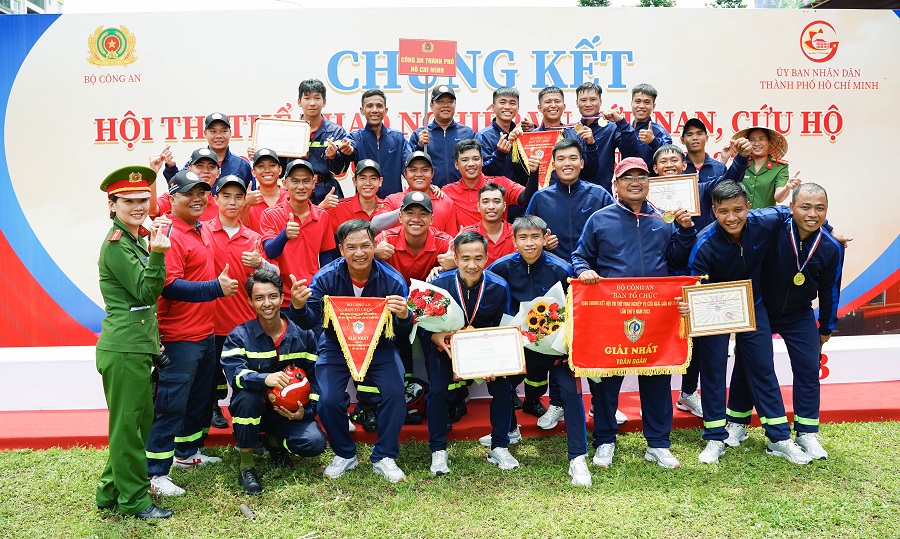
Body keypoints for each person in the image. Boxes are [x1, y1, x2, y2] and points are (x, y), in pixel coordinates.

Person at [573, 157, 696, 469]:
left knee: (657, 378)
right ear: (616, 184)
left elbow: (677, 261)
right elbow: (580, 256)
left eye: (641, 176)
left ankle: (658, 444)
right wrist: (584, 270)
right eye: (627, 177)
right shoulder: (600, 219)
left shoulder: (664, 218)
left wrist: (684, 231)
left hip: (655, 314)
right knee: (606, 380)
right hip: (612, 313)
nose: (635, 182)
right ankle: (605, 441)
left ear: (649, 182)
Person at [688, 180, 812, 465]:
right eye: (723, 212)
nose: (731, 218)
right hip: (714, 311)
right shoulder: (704, 243)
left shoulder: (765, 219)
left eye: (738, 210)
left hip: (753, 306)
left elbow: (797, 213)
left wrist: (829, 231)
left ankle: (779, 438)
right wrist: (691, 305)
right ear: (713, 211)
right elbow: (693, 284)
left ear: (748, 206)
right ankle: (714, 437)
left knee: (763, 368)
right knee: (713, 371)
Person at [721, 183, 844, 461]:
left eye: (820, 208)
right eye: (805, 207)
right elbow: (742, 216)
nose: (812, 214)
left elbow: (830, 290)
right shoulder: (772, 228)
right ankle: (737, 422)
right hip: (761, 307)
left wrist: (826, 327)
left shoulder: (831, 247)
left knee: (809, 368)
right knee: (750, 362)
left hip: (798, 314)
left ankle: (806, 432)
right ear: (791, 208)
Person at [289, 219, 413, 483]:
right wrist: (298, 307)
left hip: (380, 346)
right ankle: (345, 453)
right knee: (327, 399)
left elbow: (402, 331)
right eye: (351, 247)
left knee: (394, 392)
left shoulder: (393, 280)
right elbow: (310, 321)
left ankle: (385, 455)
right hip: (335, 346)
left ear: (374, 245)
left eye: (365, 246)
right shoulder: (325, 278)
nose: (359, 253)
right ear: (341, 249)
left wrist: (405, 316)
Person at [147, 170, 239, 496]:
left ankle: (186, 454)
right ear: (172, 199)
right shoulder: (170, 233)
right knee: (170, 406)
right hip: (178, 338)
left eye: (202, 192)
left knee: (198, 402)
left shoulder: (200, 229)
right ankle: (155, 474)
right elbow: (168, 286)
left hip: (204, 333)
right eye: (189, 193)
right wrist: (215, 288)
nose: (198, 198)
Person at [649, 141, 751, 420]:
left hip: (697, 274)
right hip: (660, 276)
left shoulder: (701, 189)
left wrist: (741, 158)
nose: (669, 165)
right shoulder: (645, 197)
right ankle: (654, 399)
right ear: (655, 168)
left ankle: (688, 392)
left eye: (674, 160)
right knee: (658, 336)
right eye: (663, 161)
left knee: (695, 337)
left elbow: (729, 181)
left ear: (684, 165)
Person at [488, 215, 592, 486]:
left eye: (535, 237)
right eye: (523, 237)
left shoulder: (562, 269)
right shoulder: (500, 268)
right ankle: (503, 440)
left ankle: (578, 457)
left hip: (554, 348)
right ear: (514, 241)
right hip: (517, 346)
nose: (529, 243)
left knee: (571, 392)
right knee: (501, 385)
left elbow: (576, 309)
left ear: (546, 238)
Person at [95, 166, 173, 519]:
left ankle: (110, 490)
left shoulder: (135, 239)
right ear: (112, 205)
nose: (138, 206)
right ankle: (135, 500)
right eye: (128, 201)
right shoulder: (117, 244)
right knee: (128, 427)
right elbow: (145, 292)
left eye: (143, 199)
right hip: (124, 348)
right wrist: (157, 254)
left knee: (136, 424)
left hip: (136, 346)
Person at [220, 268, 326, 495]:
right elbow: (235, 375)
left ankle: (273, 442)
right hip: (254, 410)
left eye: (272, 296)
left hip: (286, 414)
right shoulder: (239, 336)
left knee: (315, 443)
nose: (267, 303)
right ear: (250, 302)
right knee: (247, 397)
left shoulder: (304, 335)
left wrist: (305, 412)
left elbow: (317, 379)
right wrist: (264, 378)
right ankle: (247, 466)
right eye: (259, 298)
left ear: (281, 297)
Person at [425, 231, 520, 474]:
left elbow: (504, 327)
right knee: (437, 391)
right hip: (446, 348)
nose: (472, 265)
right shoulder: (438, 285)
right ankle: (438, 450)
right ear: (455, 258)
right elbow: (422, 324)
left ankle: (499, 445)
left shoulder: (499, 286)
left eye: (478, 258)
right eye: (465, 258)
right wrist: (434, 336)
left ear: (487, 258)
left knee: (503, 387)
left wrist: (497, 360)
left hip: (486, 350)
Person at [208, 174, 279, 432]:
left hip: (245, 325)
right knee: (211, 377)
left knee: (248, 383)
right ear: (215, 199)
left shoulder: (253, 238)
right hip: (211, 324)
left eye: (238, 197)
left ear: (244, 201)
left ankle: (252, 433)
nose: (232, 202)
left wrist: (261, 263)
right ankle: (213, 409)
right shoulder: (202, 231)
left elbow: (275, 275)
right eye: (226, 196)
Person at [260, 159, 336, 308]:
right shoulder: (270, 214)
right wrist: (285, 235)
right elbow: (270, 252)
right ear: (285, 183)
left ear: (313, 183)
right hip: (280, 299)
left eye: (306, 181)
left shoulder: (322, 216)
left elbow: (326, 259)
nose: (301, 186)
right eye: (295, 181)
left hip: (312, 297)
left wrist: (323, 291)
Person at [525, 138, 614, 263]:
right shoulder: (540, 198)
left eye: (573, 158)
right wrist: (542, 243)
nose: (567, 163)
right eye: (561, 159)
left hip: (592, 270)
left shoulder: (599, 195)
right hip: (554, 269)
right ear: (553, 165)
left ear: (581, 163)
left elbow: (615, 232)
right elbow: (526, 236)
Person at [325, 89, 410, 198]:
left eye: (379, 106)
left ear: (386, 110)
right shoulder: (354, 138)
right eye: (369, 106)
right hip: (365, 203)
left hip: (393, 203)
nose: (374, 110)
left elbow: (410, 168)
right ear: (362, 110)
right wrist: (335, 156)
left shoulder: (398, 138)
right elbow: (341, 163)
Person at [443, 139, 540, 228]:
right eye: (465, 160)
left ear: (482, 161)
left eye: (476, 159)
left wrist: (534, 173)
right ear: (456, 165)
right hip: (466, 241)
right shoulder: (447, 192)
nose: (471, 164)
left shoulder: (501, 183)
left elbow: (526, 198)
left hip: (499, 240)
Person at [571, 82, 641, 193]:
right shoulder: (572, 131)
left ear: (600, 101)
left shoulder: (611, 127)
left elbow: (631, 153)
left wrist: (621, 122)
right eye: (583, 100)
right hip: (576, 194)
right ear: (577, 103)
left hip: (603, 193)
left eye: (593, 99)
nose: (588, 104)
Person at [408, 85, 476, 187]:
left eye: (450, 102)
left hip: (462, 191)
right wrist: (419, 146)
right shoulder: (420, 134)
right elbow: (409, 167)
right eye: (440, 102)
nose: (446, 105)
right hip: (431, 192)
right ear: (431, 105)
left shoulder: (468, 133)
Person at [532, 86, 600, 185]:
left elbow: (590, 171)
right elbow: (522, 174)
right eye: (548, 102)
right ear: (540, 108)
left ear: (564, 106)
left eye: (557, 101)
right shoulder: (532, 136)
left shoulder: (576, 134)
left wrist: (591, 145)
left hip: (571, 191)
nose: (553, 105)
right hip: (541, 192)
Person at [162, 113, 252, 186]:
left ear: (230, 133)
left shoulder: (242, 165)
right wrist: (170, 167)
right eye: (213, 131)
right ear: (205, 133)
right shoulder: (195, 163)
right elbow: (176, 186)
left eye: (223, 131)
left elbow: (253, 194)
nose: (218, 136)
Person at [381, 151, 460, 235]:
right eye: (413, 170)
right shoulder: (392, 201)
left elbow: (451, 239)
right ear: (405, 174)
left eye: (425, 170)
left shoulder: (446, 203)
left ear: (432, 173)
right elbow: (377, 226)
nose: (419, 174)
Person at [476, 87, 532, 186]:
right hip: (495, 192)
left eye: (512, 103)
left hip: (521, 192)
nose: (507, 107)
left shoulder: (521, 134)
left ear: (518, 108)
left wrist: (531, 133)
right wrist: (500, 154)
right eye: (502, 102)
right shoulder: (484, 136)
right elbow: (482, 170)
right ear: (493, 107)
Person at [734, 126, 799, 209]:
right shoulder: (741, 164)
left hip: (766, 216)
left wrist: (787, 187)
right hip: (741, 215)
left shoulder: (779, 167)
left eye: (762, 139)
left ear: (769, 142)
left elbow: (779, 198)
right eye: (752, 140)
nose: (757, 143)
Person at [151, 147, 221, 221]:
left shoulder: (221, 206)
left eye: (211, 167)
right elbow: (152, 211)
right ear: (189, 170)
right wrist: (153, 172)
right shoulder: (175, 197)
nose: (206, 171)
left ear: (218, 173)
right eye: (200, 166)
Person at [326, 159, 388, 234]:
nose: (368, 183)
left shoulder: (388, 208)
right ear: (354, 181)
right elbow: (316, 227)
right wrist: (320, 207)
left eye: (373, 178)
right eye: (362, 178)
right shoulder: (338, 208)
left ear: (380, 181)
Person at [461, 183, 516, 267]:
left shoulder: (517, 233)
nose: (491, 207)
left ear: (504, 206)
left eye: (496, 202)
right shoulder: (467, 234)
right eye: (485, 202)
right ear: (478, 206)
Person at [629, 84, 672, 170]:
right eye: (638, 101)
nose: (641, 106)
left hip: (651, 178)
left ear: (653, 106)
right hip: (627, 178)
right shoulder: (626, 130)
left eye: (647, 102)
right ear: (631, 103)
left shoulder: (660, 132)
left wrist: (653, 142)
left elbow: (668, 158)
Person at [243, 148, 286, 234]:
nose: (267, 170)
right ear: (253, 172)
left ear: (280, 170)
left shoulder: (290, 198)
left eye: (272, 165)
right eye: (261, 166)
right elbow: (240, 231)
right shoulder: (248, 201)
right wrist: (246, 205)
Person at [681, 118, 727, 183]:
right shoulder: (678, 168)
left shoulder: (720, 168)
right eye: (689, 135)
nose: (695, 138)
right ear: (682, 140)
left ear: (706, 138)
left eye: (699, 134)